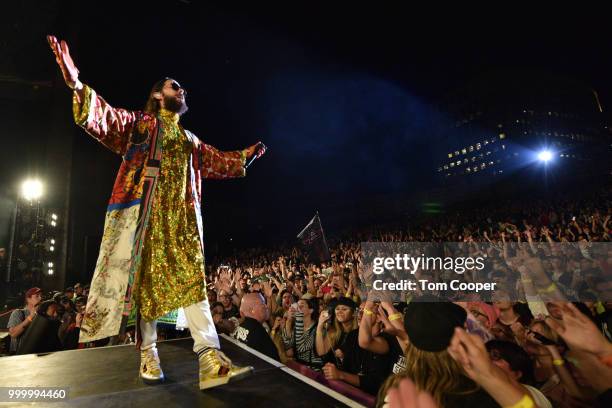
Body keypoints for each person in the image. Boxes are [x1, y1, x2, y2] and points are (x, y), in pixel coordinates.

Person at [48, 35, 266, 390]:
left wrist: (246, 156)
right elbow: (105, 118)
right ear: (156, 95)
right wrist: (75, 83)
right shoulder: (140, 126)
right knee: (144, 285)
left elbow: (218, 160)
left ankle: (210, 359)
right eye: (174, 86)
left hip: (182, 224)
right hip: (142, 217)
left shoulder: (190, 141)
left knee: (194, 285)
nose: (182, 91)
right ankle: (148, 352)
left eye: (183, 90)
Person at [232, 293, 279, 360]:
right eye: (262, 303)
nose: (266, 306)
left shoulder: (242, 325)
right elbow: (275, 362)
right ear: (252, 310)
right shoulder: (258, 332)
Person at [7, 287, 42, 354]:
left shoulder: (41, 315)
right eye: (37, 296)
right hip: (19, 355)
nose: (40, 298)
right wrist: (30, 317)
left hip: (35, 354)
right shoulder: (18, 312)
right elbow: (13, 334)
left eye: (41, 296)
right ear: (28, 299)